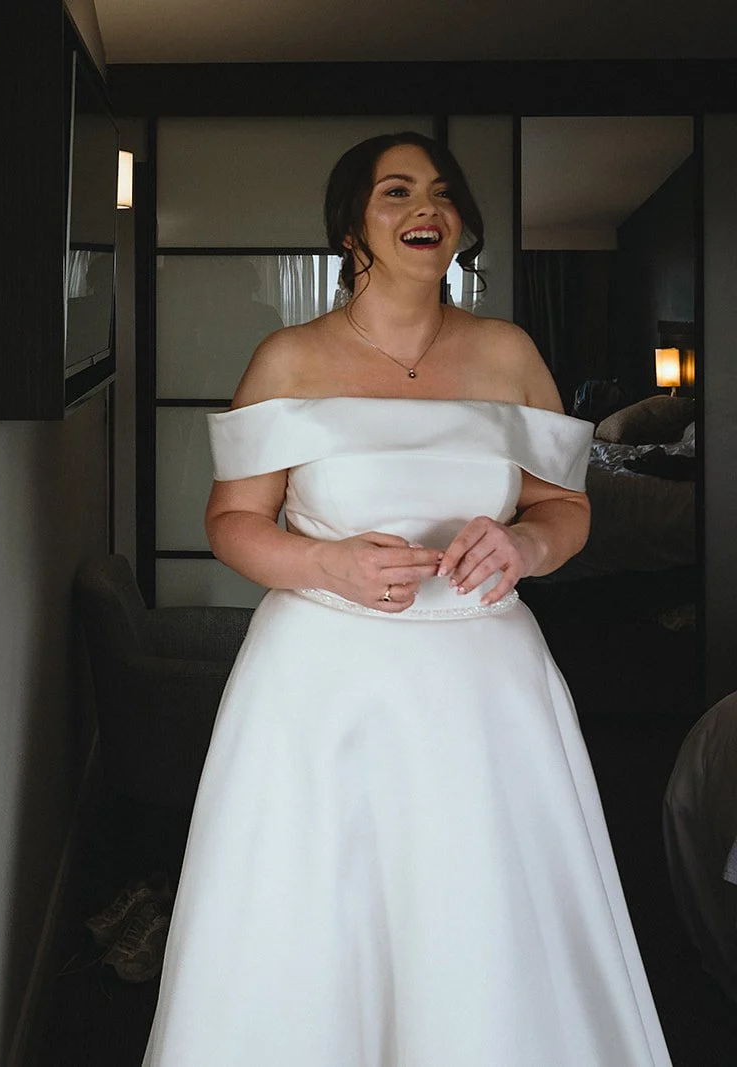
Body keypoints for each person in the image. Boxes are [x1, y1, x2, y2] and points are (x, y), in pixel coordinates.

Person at [143, 133, 670, 1065]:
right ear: (353, 225)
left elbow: (566, 508)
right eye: (396, 191)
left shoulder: (508, 352)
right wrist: (326, 564)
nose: (426, 207)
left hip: (485, 683)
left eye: (442, 192)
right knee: (315, 914)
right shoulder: (288, 358)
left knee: (483, 914)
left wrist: (526, 543)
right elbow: (231, 521)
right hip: (321, 679)